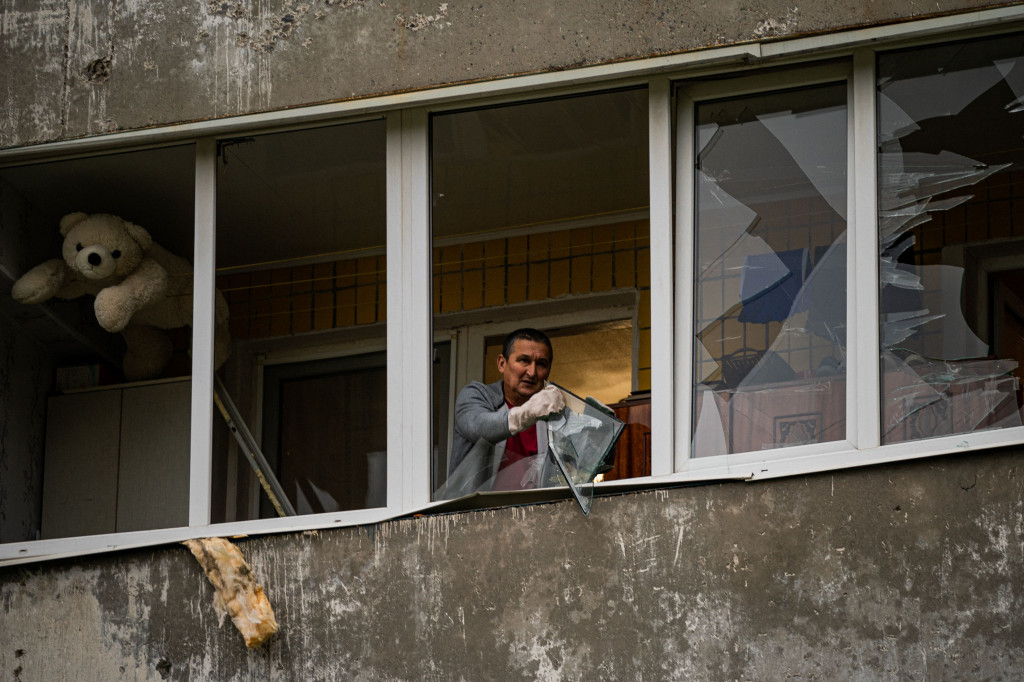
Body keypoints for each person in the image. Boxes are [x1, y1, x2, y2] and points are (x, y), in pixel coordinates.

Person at [447, 328, 566, 491]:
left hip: (534, 514)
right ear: (502, 364)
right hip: (475, 515)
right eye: (524, 360)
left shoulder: (550, 415)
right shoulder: (477, 395)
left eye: (541, 364)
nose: (532, 372)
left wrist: (602, 431)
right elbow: (478, 427)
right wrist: (529, 412)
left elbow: (577, 465)